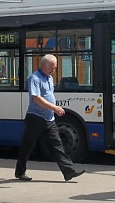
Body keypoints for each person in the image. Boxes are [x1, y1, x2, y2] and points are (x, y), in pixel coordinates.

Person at [15, 54, 85, 182]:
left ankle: (69, 172)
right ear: (43, 65)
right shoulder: (34, 78)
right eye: (52, 68)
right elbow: (36, 98)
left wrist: (53, 109)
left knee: (57, 146)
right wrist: (54, 108)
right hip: (36, 118)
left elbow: (48, 95)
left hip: (49, 119)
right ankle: (20, 172)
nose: (54, 70)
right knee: (27, 146)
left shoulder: (50, 78)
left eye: (55, 68)